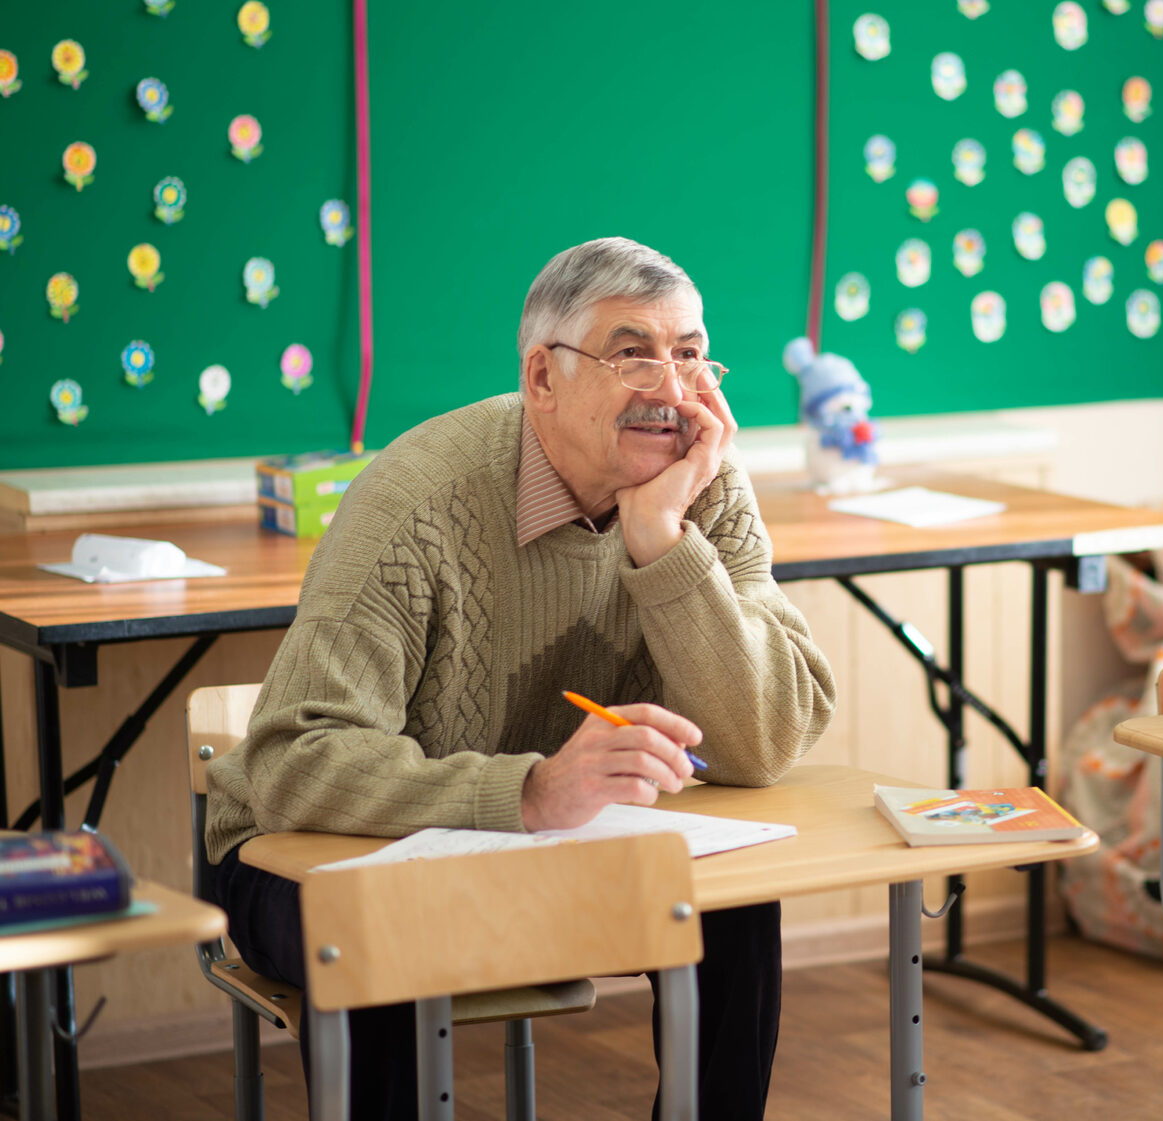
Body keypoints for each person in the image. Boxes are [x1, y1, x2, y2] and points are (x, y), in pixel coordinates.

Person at [205, 236, 837, 1120]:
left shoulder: (704, 483)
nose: (672, 389)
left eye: (691, 355)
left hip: (539, 845)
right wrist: (530, 791)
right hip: (303, 849)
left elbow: (764, 741)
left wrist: (661, 541)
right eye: (633, 355)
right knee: (383, 925)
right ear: (543, 377)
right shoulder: (420, 499)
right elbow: (290, 762)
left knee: (733, 906)